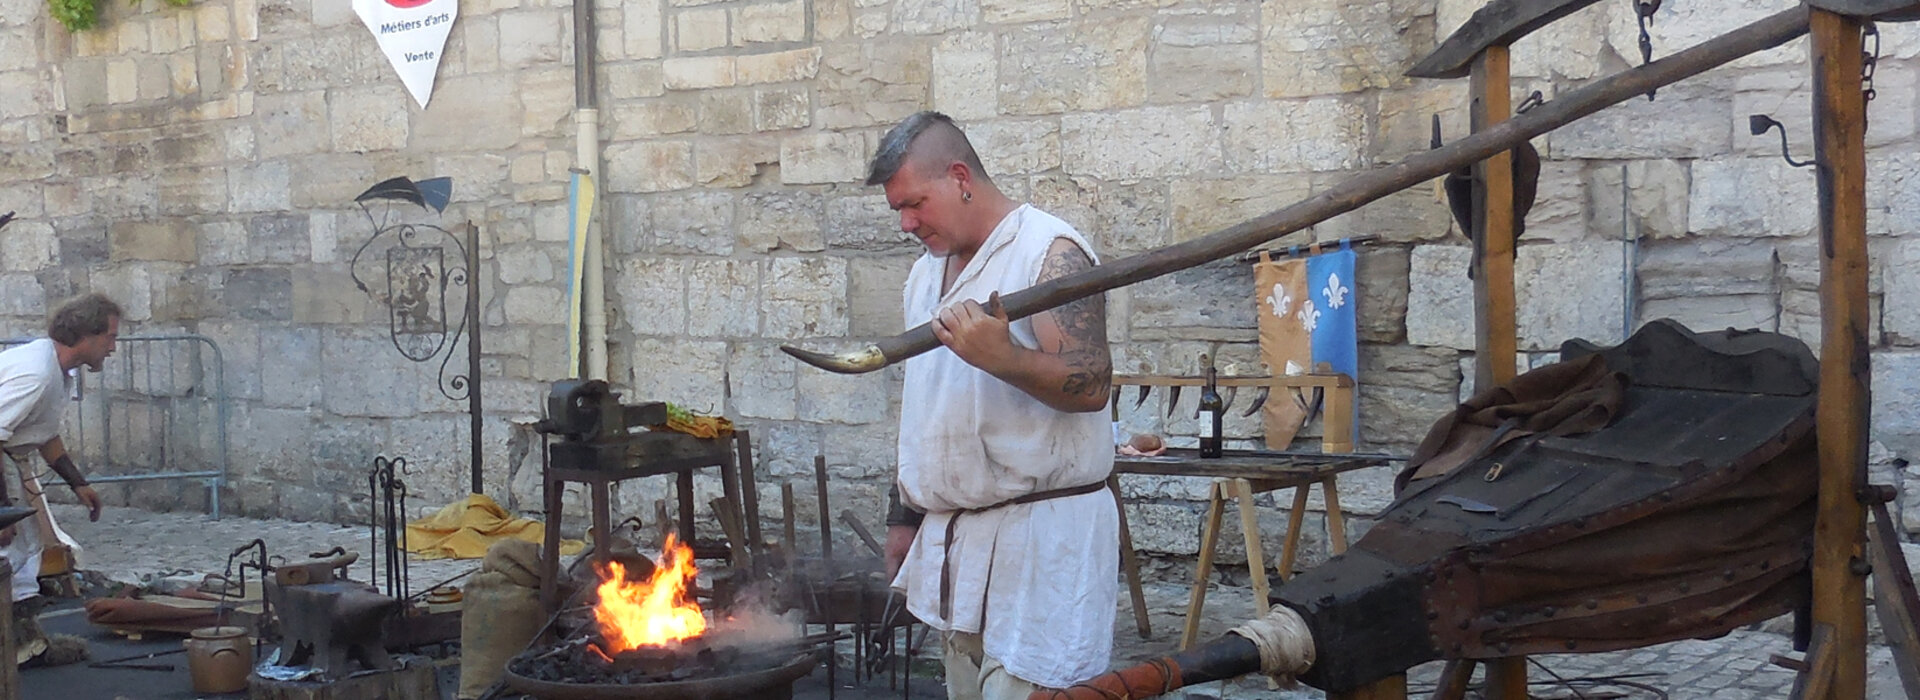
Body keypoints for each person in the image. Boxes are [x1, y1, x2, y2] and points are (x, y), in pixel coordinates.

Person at [872, 111, 1117, 698]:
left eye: (915, 204)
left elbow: (1093, 382)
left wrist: (1003, 357)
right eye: (897, 210)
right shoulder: (923, 277)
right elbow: (928, 406)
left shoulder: (1047, 252)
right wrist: (905, 516)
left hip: (1043, 547)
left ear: (960, 177)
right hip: (960, 547)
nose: (907, 223)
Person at [0, 292, 118, 667]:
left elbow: (43, 432)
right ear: (86, 335)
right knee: (7, 554)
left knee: (20, 556)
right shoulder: (36, 372)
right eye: (109, 338)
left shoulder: (55, 369)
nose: (112, 349)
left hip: (10, 457)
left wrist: (77, 482)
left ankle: (23, 646)